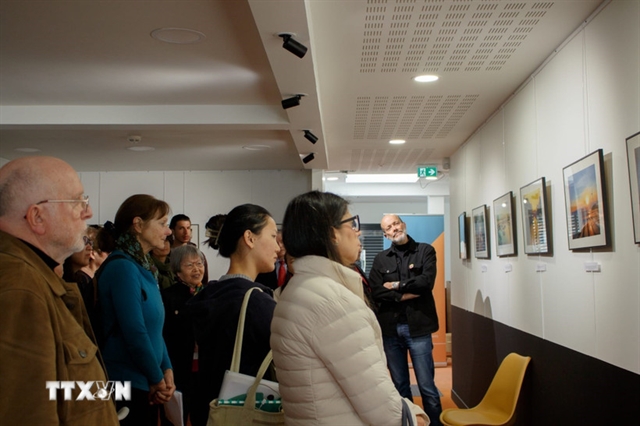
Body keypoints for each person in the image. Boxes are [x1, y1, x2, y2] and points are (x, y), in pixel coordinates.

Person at [271, 191, 428, 426]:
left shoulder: (296, 289)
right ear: (333, 234)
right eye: (352, 223)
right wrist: (416, 418)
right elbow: (382, 409)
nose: (358, 232)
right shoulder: (333, 302)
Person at [0, 156, 119, 425]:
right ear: (37, 217)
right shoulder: (19, 287)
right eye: (78, 202)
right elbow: (25, 413)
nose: (88, 212)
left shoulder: (33, 277)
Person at [187, 204, 279, 426]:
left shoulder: (208, 296)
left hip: (210, 410)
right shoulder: (256, 302)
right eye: (273, 236)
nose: (278, 246)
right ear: (249, 238)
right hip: (248, 412)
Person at [96, 194, 175, 426]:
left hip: (144, 380)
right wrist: (157, 379)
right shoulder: (123, 267)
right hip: (124, 383)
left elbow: (154, 329)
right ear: (138, 225)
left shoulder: (144, 267)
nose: (168, 231)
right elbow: (134, 332)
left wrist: (167, 369)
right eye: (162, 223)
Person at [369, 214, 443, 426]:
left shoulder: (425, 251)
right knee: (400, 387)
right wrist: (403, 295)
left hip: (419, 328)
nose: (394, 229)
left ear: (403, 225)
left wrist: (395, 285)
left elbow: (426, 283)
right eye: (388, 227)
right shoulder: (381, 259)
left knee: (427, 387)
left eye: (396, 224)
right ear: (385, 234)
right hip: (391, 331)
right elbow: (376, 291)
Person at [162, 244, 205, 426]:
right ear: (177, 271)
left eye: (199, 263)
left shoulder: (210, 294)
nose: (196, 269)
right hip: (179, 366)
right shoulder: (168, 297)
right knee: (176, 417)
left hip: (205, 367)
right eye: (189, 265)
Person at [170, 213, 209, 284]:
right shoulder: (166, 253)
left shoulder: (197, 254)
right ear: (173, 231)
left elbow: (204, 280)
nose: (186, 232)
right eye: (181, 228)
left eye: (188, 228)